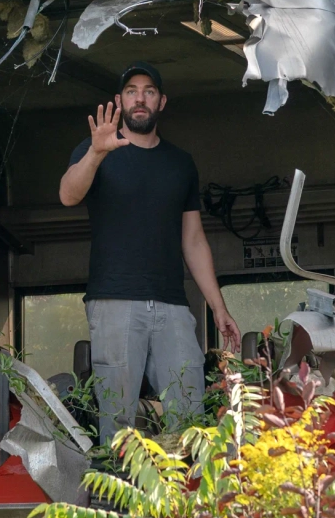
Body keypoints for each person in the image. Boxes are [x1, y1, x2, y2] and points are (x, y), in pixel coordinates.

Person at [60, 64, 240, 444]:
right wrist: (95, 153)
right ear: (120, 101)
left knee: (190, 411)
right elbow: (68, 195)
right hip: (114, 300)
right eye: (130, 90)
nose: (139, 98)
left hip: (173, 305)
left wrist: (218, 307)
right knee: (117, 417)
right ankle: (116, 500)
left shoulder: (180, 163)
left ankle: (183, 501)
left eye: (148, 91)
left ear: (161, 101)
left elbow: (193, 240)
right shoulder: (96, 149)